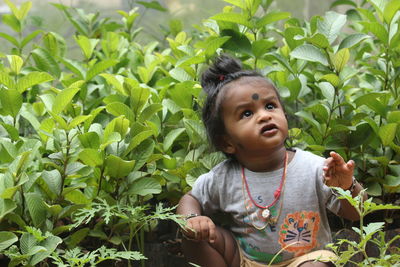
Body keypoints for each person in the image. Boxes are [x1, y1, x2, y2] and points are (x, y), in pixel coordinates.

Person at [177, 54, 367, 267]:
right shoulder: (224, 178)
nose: (264, 116)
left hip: (305, 260)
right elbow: (190, 198)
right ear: (227, 142)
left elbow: (357, 214)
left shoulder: (313, 167)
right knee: (195, 237)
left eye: (270, 106)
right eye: (247, 113)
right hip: (246, 262)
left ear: (284, 115)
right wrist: (192, 219)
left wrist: (347, 187)